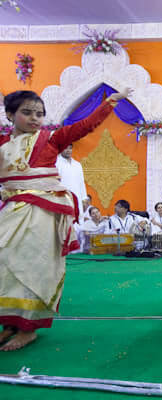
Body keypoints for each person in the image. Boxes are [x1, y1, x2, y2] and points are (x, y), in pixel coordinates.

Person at [0, 88, 131, 351]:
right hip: (11, 212)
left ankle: (29, 329)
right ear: (10, 114)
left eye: (39, 113)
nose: (35, 118)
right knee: (6, 266)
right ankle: (11, 324)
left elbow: (85, 125)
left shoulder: (51, 139)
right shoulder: (2, 145)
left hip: (43, 214)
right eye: (27, 113)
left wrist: (111, 103)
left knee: (34, 268)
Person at [56, 143, 87, 223]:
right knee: (66, 222)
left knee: (79, 221)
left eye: (70, 148)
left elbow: (81, 182)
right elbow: (55, 183)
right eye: (65, 148)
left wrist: (84, 198)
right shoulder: (56, 163)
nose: (68, 150)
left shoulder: (77, 164)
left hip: (78, 198)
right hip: (64, 198)